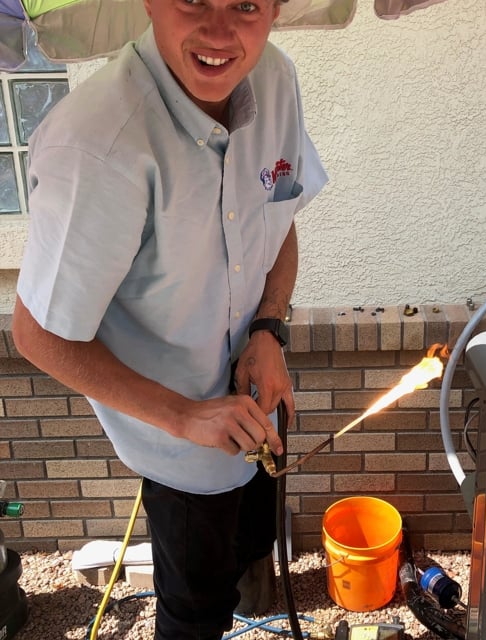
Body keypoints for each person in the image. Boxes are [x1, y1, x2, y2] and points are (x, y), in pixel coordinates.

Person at [11, 0, 327, 636]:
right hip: (177, 442)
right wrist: (186, 415)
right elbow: (37, 333)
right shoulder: (98, 144)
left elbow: (281, 217)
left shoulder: (276, 81)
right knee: (194, 608)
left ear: (275, 10)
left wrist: (269, 327)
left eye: (245, 4)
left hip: (259, 403)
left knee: (251, 546)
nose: (219, 31)